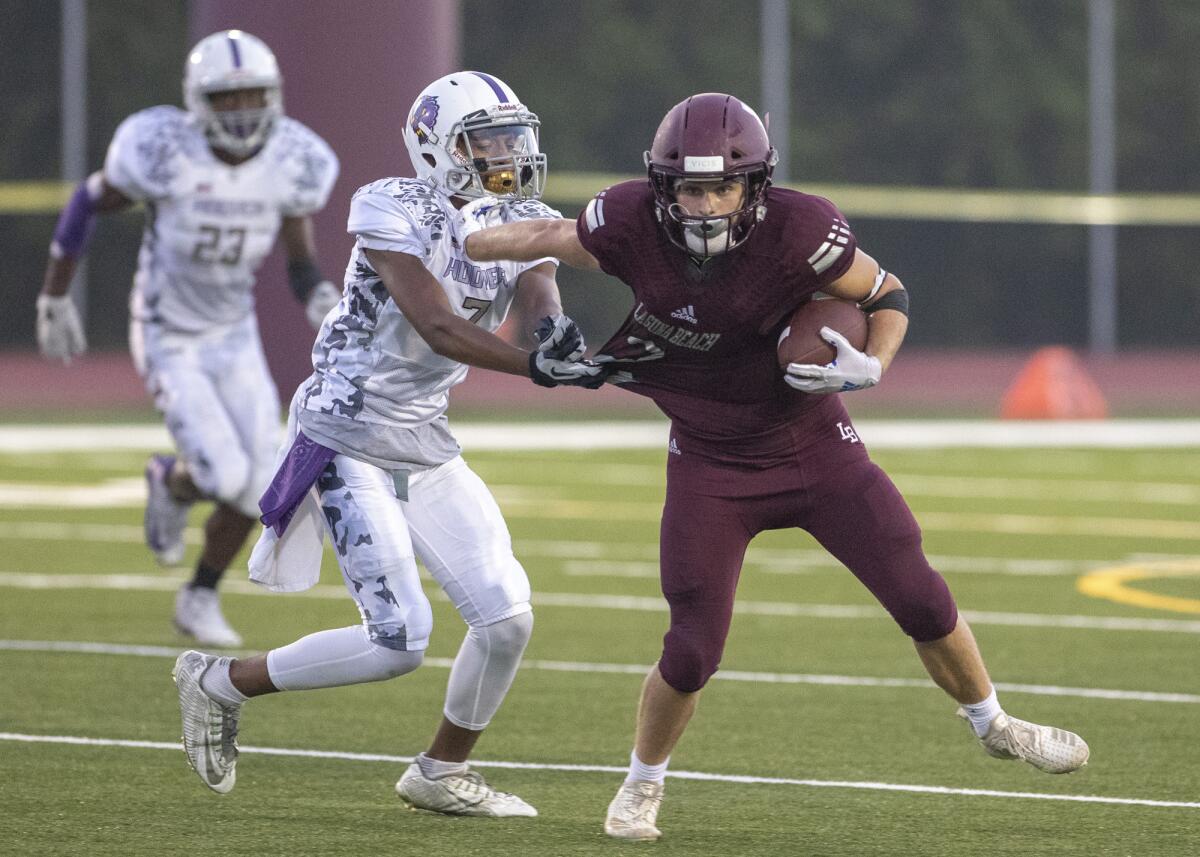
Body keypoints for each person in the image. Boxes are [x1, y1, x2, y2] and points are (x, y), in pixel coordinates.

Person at [462, 92, 1090, 840]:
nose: (702, 204)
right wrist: (463, 239)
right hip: (710, 459)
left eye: (720, 186)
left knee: (920, 595)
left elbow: (887, 293)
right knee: (692, 648)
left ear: (753, 186)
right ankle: (641, 783)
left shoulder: (802, 232)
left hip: (815, 446)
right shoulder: (627, 224)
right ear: (662, 189)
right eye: (689, 187)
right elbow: (551, 237)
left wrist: (872, 366)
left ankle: (994, 723)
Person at [171, 71, 606, 814]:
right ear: (438, 149)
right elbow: (438, 322)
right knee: (400, 638)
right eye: (487, 139)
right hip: (346, 428)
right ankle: (218, 680)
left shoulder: (523, 213)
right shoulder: (391, 204)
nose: (507, 151)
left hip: (424, 433)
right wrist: (535, 365)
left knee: (507, 619)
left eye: (512, 135)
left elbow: (538, 292)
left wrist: (555, 335)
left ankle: (438, 772)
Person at [34, 30, 341, 648]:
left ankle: (198, 590)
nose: (243, 110)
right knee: (226, 473)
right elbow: (88, 199)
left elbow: (300, 259)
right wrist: (55, 292)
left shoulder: (290, 163)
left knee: (260, 486)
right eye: (228, 99)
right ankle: (174, 483)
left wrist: (321, 301)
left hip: (233, 334)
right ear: (200, 103)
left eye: (253, 96)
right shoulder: (165, 151)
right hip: (168, 331)